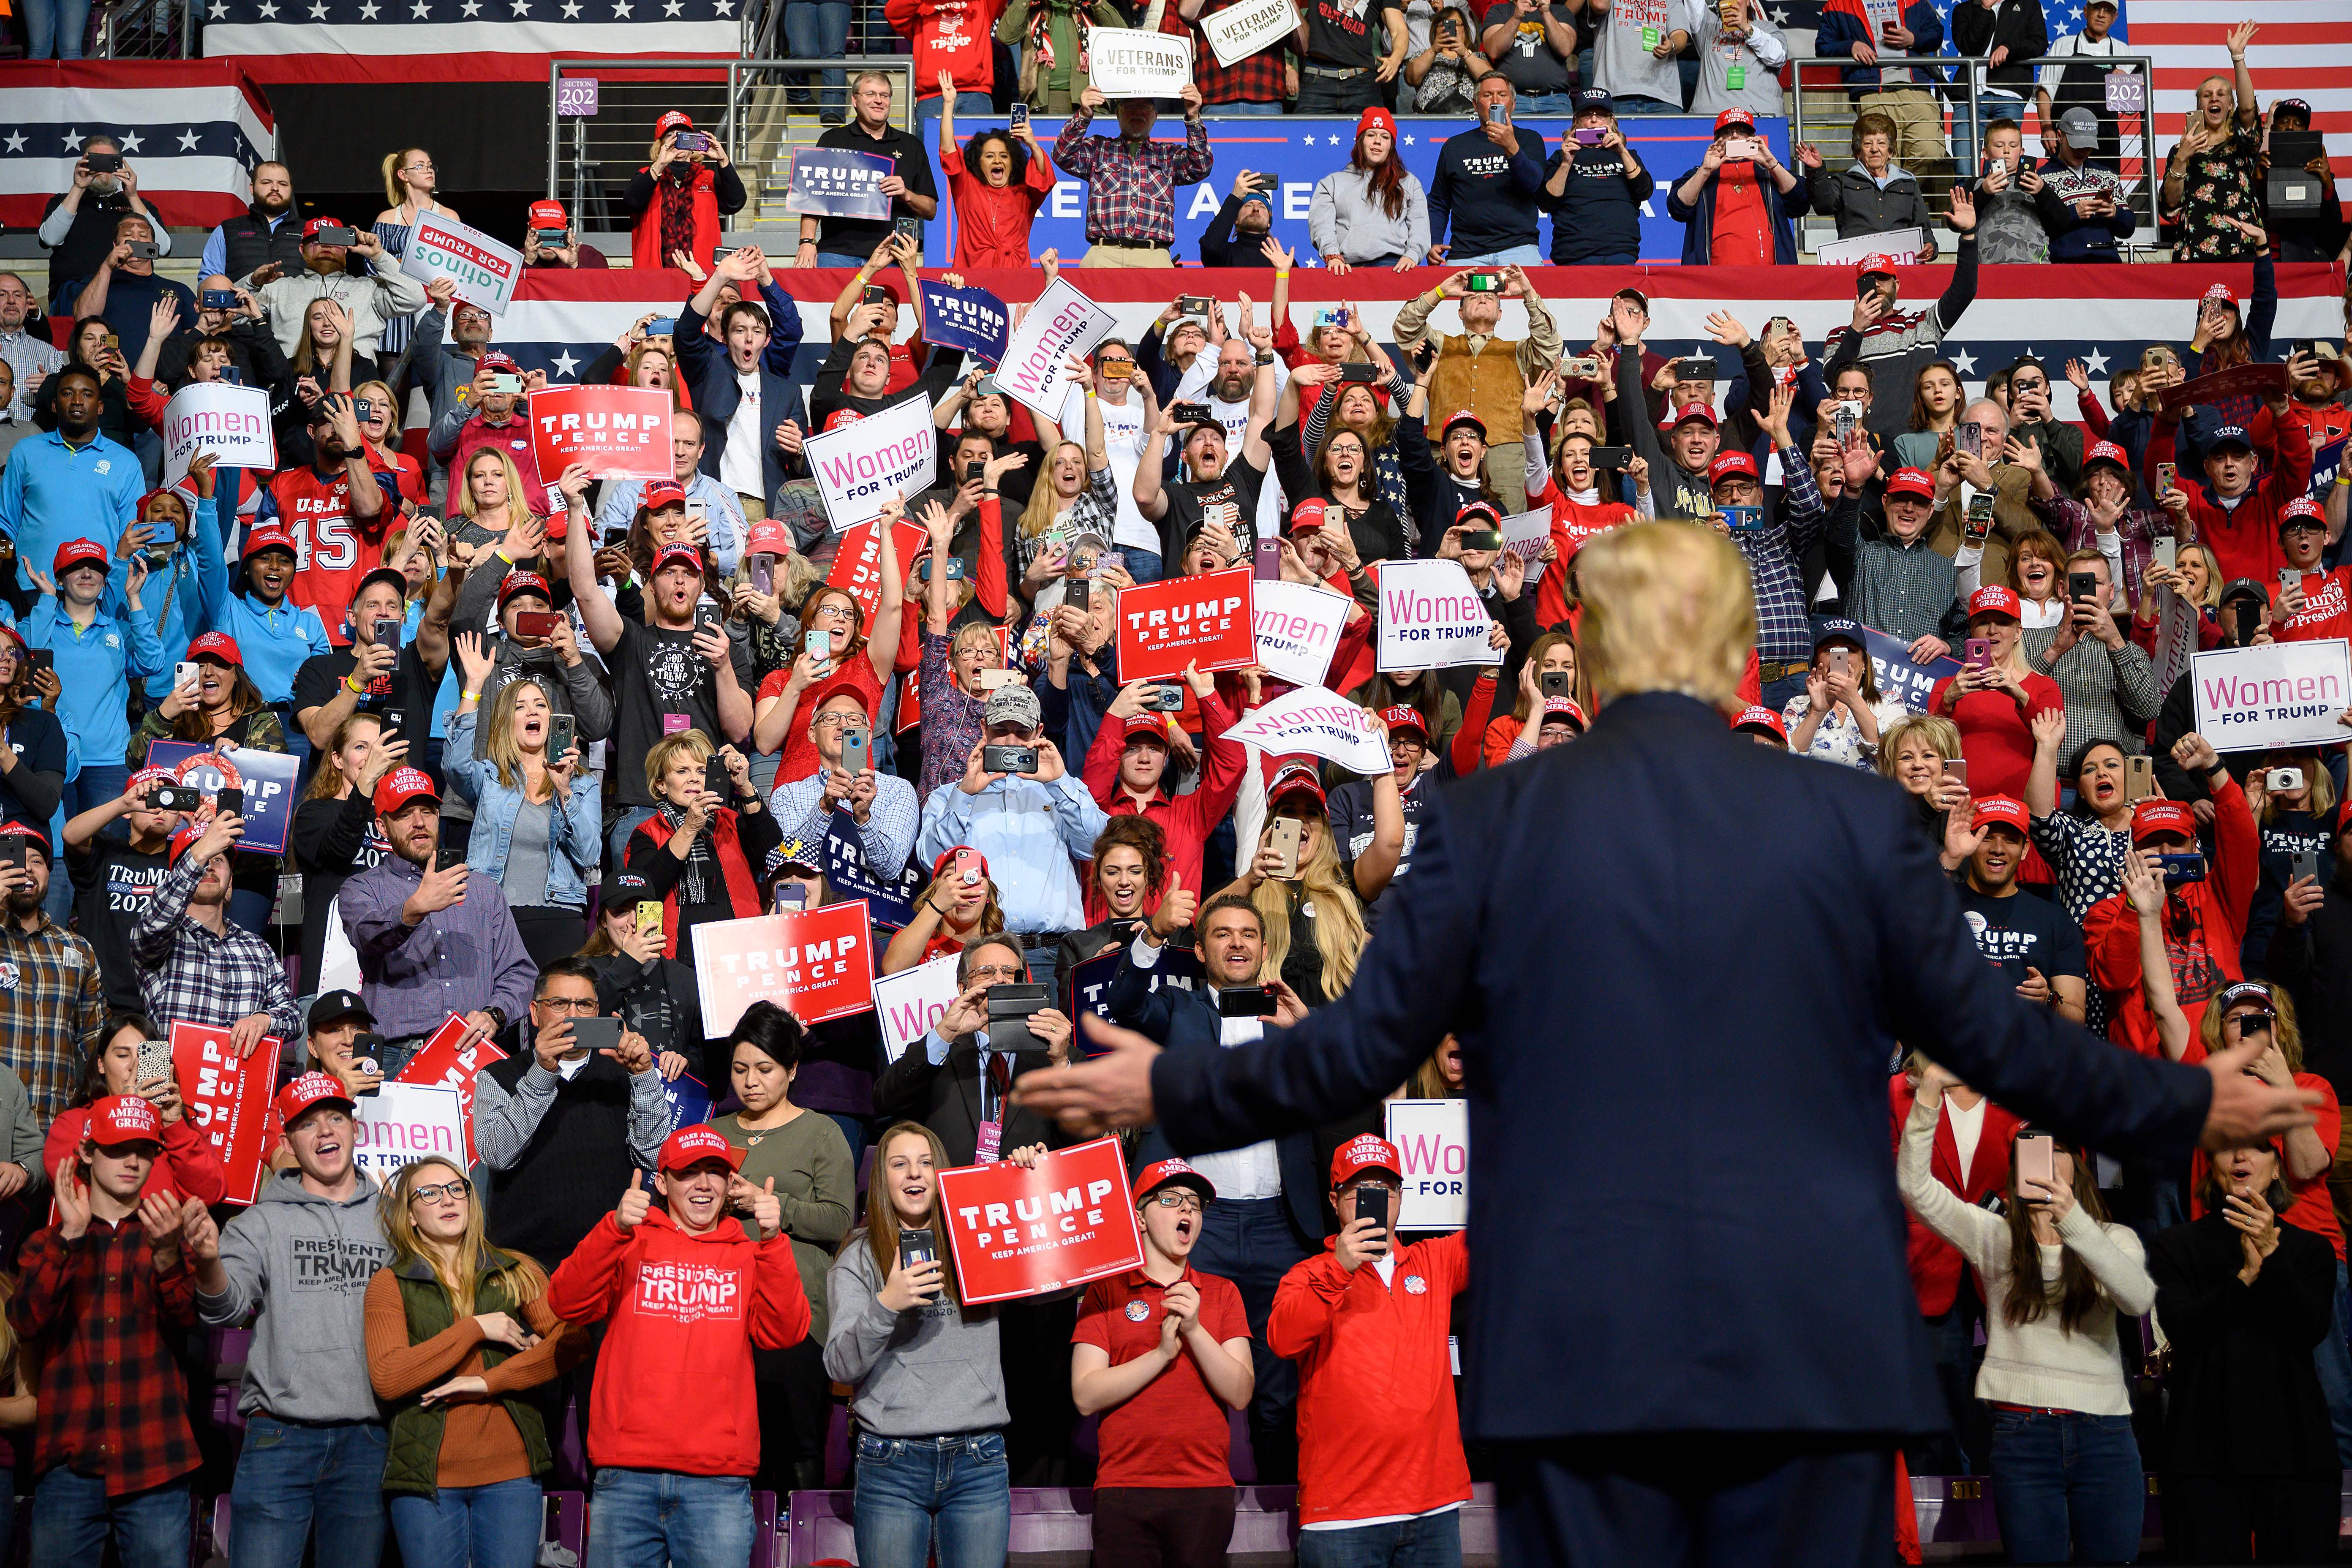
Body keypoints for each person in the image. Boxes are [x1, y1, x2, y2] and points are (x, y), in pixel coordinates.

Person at [1012, 519, 2314, 1567]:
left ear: (1588, 640)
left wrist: (1168, 1079)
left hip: (1578, 1365)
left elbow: (1348, 1054)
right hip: (1810, 1359)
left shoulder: (1488, 824)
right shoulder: (1854, 825)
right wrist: (2184, 1099)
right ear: (1741, 643)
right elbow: (2002, 1045)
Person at [1896, 1062, 2152, 1562]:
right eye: (2031, 1155)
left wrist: (2071, 1217)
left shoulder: (2113, 1238)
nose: (2045, 1164)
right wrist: (1928, 1095)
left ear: (2078, 1166)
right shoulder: (1995, 1237)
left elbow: (2135, 1297)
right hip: (2022, 1435)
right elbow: (1915, 1189)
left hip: (2105, 1434)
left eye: (2057, 1152)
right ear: (2014, 1175)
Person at [1116, 891, 1318, 1483]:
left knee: (1280, 1391)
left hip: (1282, 1226)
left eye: (1248, 934)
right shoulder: (1177, 1010)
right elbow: (1126, 998)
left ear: (1264, 947)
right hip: (1196, 1231)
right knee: (1187, 1377)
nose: (1237, 943)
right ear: (1200, 950)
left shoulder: (1291, 1018)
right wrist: (1154, 933)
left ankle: (1283, 1522)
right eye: (1223, 934)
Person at [546, 1124, 809, 1568]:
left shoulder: (749, 1252)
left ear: (730, 1185)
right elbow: (565, 1301)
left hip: (718, 1479)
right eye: (689, 1172)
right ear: (662, 1182)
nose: (704, 1184)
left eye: (716, 1172)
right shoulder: (630, 1240)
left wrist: (774, 1242)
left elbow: (786, 1332)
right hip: (627, 1473)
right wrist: (613, 1228)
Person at [188, 1072, 394, 1568]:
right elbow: (226, 1307)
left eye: (336, 1118)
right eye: (308, 1125)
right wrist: (208, 1262)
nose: (325, 1132)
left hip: (369, 1437)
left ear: (355, 1129)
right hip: (279, 1437)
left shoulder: (394, 1218)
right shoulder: (259, 1222)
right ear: (288, 1143)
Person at [12, 1094, 202, 1568]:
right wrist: (70, 1238)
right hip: (70, 1465)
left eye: (143, 1148)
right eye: (118, 1148)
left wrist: (167, 1258)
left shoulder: (168, 1235)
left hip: (157, 1460)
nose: (132, 1160)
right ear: (87, 1153)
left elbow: (191, 1320)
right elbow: (25, 1321)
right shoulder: (46, 1241)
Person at [825, 1120, 1024, 1568]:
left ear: (942, 1174)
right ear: (882, 1179)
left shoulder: (979, 1239)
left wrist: (1033, 1188)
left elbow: (1054, 1284)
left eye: (925, 1162)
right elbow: (839, 1365)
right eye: (899, 1164)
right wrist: (886, 1305)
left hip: (979, 1457)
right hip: (890, 1461)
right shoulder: (858, 1256)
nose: (914, 1173)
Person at [1268, 1134, 1470, 1566]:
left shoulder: (1434, 1261)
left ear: (1401, 1199)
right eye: (1360, 1193)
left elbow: (1509, 1228)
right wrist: (1340, 1268)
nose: (1374, 1203)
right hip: (1343, 1516)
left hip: (1434, 1507)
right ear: (1334, 1199)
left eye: (1385, 1192)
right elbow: (1283, 1340)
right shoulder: (1306, 1274)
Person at [365, 1155, 572, 1568]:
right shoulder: (389, 1284)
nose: (447, 1199)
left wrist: (494, 1380)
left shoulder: (516, 1269)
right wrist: (474, 1327)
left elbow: (574, 1341)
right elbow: (388, 1377)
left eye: (457, 1187)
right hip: (427, 1480)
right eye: (430, 1192)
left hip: (512, 1476)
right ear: (410, 1216)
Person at [2147, 1135, 2338, 1561]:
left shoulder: (2312, 1249)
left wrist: (2272, 1254)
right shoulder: (2175, 1245)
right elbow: (2184, 1328)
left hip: (2296, 1450)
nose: (2239, 1156)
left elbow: (2310, 1328)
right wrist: (2245, 1279)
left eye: (2255, 1147)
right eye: (2225, 1146)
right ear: (2211, 1165)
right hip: (2203, 1449)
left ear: (2277, 1167)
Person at [1071, 1157, 1254, 1567]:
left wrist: (1194, 1330)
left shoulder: (1223, 1292)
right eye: (1170, 1199)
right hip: (1124, 1490)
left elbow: (1241, 1392)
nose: (1187, 1209)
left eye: (1194, 1202)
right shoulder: (1106, 1290)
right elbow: (1085, 1394)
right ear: (1139, 1217)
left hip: (1204, 1491)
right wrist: (1160, 1355)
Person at [710, 1002, 854, 1495]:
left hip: (794, 1314)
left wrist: (774, 1205)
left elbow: (839, 1219)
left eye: (765, 1069)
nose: (750, 1082)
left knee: (796, 1447)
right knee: (729, 1449)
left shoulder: (821, 1132)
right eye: (740, 1069)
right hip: (723, 1311)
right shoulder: (716, 1131)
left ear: (792, 1070)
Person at [563, 529, 757, 860]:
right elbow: (584, 591)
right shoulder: (631, 641)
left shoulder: (729, 652)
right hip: (641, 808)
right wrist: (576, 506)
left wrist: (723, 666)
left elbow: (740, 729)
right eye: (669, 573)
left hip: (709, 807)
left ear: (701, 586)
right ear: (652, 585)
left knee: (707, 912)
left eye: (688, 574)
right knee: (642, 911)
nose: (679, 582)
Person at [476, 958, 674, 1278]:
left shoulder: (622, 1072)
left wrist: (644, 1076)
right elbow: (497, 1154)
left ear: (597, 1012)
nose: (572, 1015)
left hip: (613, 1258)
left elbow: (655, 1156)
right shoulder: (499, 1076)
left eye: (584, 1004)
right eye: (559, 1004)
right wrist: (542, 1073)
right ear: (535, 1012)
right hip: (525, 1268)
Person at [338, 765, 537, 1074]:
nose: (419, 823)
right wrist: (415, 909)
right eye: (404, 814)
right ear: (382, 826)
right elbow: (366, 934)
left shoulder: (483, 891)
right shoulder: (362, 888)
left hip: (472, 1054)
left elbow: (519, 972)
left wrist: (494, 1015)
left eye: (428, 812)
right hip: (396, 1054)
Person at [916, 684, 1109, 991]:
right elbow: (931, 860)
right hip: (980, 953)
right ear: (983, 729)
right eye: (1001, 730)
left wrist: (1059, 783)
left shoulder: (1062, 789)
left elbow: (1098, 847)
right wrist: (965, 794)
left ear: (1039, 732)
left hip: (1055, 953)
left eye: (1022, 732)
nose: (1010, 742)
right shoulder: (950, 795)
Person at [445, 651, 602, 967]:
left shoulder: (583, 785)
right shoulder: (490, 777)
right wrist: (474, 686)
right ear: (506, 722)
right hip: (495, 916)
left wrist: (564, 791)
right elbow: (455, 766)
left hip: (559, 918)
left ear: (552, 718)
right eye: (520, 707)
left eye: (540, 705)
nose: (533, 711)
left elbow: (590, 857)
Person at [874, 936, 1076, 1166]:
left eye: (1010, 972)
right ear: (963, 988)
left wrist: (1061, 1065)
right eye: (985, 972)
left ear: (1024, 982)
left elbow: (1083, 1139)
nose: (999, 979)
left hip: (1027, 1193)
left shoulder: (1056, 1056)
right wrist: (945, 1033)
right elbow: (885, 1101)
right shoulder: (940, 1051)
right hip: (950, 1195)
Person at [1393, 266, 1561, 516]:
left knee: (1509, 528)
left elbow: (1550, 347)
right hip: (1446, 452)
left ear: (1500, 314)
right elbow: (1405, 328)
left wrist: (1528, 293)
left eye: (1491, 297)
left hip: (1505, 456)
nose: (1482, 297)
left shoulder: (1519, 351)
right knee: (1443, 523)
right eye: (1473, 296)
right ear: (1460, 312)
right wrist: (1441, 291)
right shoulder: (1439, 345)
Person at [131, 807, 302, 1051]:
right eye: (200, 860)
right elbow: (157, 919)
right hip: (165, 1080)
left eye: (218, 860)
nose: (209, 867)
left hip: (235, 1083)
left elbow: (295, 1017)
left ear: (230, 882)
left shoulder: (257, 947)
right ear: (181, 877)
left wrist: (265, 1020)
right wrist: (201, 853)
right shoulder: (162, 937)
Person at [25, 537, 161, 817]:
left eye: (95, 568)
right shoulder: (38, 622)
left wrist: (134, 600)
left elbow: (153, 663)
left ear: (103, 581)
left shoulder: (118, 628)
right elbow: (26, 659)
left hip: (109, 762)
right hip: (50, 757)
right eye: (77, 567)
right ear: (61, 579)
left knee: (106, 852)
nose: (87, 574)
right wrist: (47, 601)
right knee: (55, 855)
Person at [674, 250, 810, 523]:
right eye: (739, 331)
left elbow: (803, 471)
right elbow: (686, 334)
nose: (749, 339)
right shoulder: (709, 369)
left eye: (757, 332)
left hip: (769, 507)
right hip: (716, 501)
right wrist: (718, 276)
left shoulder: (786, 391)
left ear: (766, 340)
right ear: (724, 337)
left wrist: (798, 452)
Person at [624, 730, 778, 971]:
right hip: (678, 966)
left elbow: (773, 853)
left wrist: (746, 787)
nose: (694, 779)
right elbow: (646, 891)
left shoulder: (730, 821)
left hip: (740, 957)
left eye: (702, 771)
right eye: (682, 771)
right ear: (661, 784)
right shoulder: (647, 833)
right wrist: (689, 829)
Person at [0, 366, 144, 602]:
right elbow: (6, 523)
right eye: (68, 393)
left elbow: (131, 535)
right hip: (30, 588)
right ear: (55, 404)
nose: (77, 401)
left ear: (100, 407)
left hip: (97, 591)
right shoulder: (26, 451)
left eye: (87, 394)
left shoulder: (126, 462)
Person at [0, 819, 109, 1125]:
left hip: (53, 1126)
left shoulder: (77, 949)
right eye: (13, 861)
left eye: (37, 862)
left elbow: (96, 1041)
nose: (27, 869)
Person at [1052, 84, 1214, 269]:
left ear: (1155, 117)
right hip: (1103, 255)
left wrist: (1193, 116)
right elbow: (1062, 155)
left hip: (1154, 257)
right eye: (1130, 106)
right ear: (1118, 114)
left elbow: (1201, 166)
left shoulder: (1168, 155)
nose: (1137, 112)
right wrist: (1084, 115)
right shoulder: (1099, 149)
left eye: (1145, 107)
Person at [1928, 586, 2065, 802]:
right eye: (1983, 623)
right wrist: (1947, 702)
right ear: (1972, 632)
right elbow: (1928, 747)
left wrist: (2020, 696)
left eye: (2002, 622)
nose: (1992, 630)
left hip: (2024, 812)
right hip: (1961, 810)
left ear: (2018, 632)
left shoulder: (2043, 686)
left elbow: (2053, 739)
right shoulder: (1947, 686)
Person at [795, 76, 938, 269]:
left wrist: (907, 195)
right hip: (837, 253)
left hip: (891, 257)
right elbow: (813, 199)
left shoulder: (912, 146)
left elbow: (931, 210)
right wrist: (807, 242)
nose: (879, 100)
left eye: (885, 95)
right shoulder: (833, 140)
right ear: (855, 100)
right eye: (870, 94)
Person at [245, 218, 427, 368]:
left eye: (335, 240)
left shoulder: (368, 288)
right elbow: (232, 315)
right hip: (293, 386)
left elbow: (415, 299)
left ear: (347, 248)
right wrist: (252, 283)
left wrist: (378, 256)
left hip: (356, 386)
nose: (326, 246)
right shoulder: (280, 287)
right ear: (302, 250)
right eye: (317, 241)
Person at [2158, 23, 2265, 263]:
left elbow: (2248, 108)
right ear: (2199, 106)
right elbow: (2170, 205)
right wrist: (2182, 158)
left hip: (2241, 247)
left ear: (2230, 106)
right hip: (2194, 251)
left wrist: (2238, 57)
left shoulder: (2242, 142)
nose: (2214, 98)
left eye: (2221, 94)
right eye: (2207, 95)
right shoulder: (2181, 149)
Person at [1427, 79, 1546, 266]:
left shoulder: (1529, 140)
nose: (1496, 101)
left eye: (1503, 95)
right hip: (1465, 254)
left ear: (1513, 104)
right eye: (1487, 95)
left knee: (1533, 297)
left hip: (1519, 249)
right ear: (1475, 104)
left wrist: (1512, 148)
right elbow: (1438, 202)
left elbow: (1533, 185)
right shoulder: (1454, 146)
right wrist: (1434, 242)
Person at [1669, 109, 1809, 265]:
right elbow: (1677, 208)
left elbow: (1801, 203)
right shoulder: (1701, 174)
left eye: (1742, 132)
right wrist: (1705, 171)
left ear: (1752, 139)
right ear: (1717, 140)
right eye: (1728, 132)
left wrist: (1772, 164)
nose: (1735, 136)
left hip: (1770, 277)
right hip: (1714, 278)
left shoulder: (1770, 172)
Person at [1538, 91, 1653, 268]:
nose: (1594, 121)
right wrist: (1567, 162)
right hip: (1574, 254)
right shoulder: (1560, 157)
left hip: (1620, 252)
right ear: (1576, 121)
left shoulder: (1628, 156)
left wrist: (1622, 152)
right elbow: (1546, 203)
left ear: (1611, 121)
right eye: (1587, 114)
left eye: (1601, 115)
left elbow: (1645, 190)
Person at [1310, 109, 1433, 274]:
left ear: (1392, 146)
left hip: (1394, 267)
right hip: (1346, 268)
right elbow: (1322, 226)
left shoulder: (1409, 183)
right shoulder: (1331, 183)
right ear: (1361, 141)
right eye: (1371, 135)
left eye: (1385, 137)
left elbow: (1420, 226)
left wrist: (1413, 255)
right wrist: (1332, 255)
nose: (1377, 141)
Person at [936, 101, 1056, 270]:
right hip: (972, 280)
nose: (997, 161)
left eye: (1004, 156)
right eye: (990, 156)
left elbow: (1045, 179)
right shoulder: (967, 186)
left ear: (1013, 162)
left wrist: (1033, 145)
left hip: (1017, 279)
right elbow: (948, 150)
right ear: (979, 163)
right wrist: (948, 104)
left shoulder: (1025, 194)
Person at [625, 111, 749, 272]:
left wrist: (723, 160)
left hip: (702, 273)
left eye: (683, 135)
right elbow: (631, 203)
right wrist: (660, 165)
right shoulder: (647, 175)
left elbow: (735, 203)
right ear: (661, 144)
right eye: (671, 136)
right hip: (655, 274)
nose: (677, 140)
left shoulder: (708, 178)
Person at [67, 215, 197, 367]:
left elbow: (194, 345)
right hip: (110, 379)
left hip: (163, 385)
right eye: (128, 235)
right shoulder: (100, 283)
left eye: (143, 236)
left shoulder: (179, 291)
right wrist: (107, 267)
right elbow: (83, 318)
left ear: (153, 246)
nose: (136, 240)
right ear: (115, 244)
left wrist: (171, 377)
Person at [1781, 619, 1908, 769]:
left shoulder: (1891, 701)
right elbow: (1785, 760)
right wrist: (1816, 713)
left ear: (1864, 663)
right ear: (1817, 661)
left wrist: (1854, 701)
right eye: (1829, 650)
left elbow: (1896, 758)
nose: (1841, 657)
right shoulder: (1797, 704)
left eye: (1849, 650)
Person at [1799, 112, 1935, 240]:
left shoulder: (1908, 184)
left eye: (1881, 143)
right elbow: (1824, 206)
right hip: (1856, 263)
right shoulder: (1844, 182)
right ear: (1858, 152)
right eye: (1868, 144)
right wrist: (1817, 170)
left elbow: (1924, 230)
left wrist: (1930, 245)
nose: (1875, 149)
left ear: (1891, 152)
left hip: (1898, 263)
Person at [1585, 0, 1689, 112]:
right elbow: (1599, 5)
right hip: (1614, 95)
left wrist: (1672, 45)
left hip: (1663, 97)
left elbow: (1680, 34)